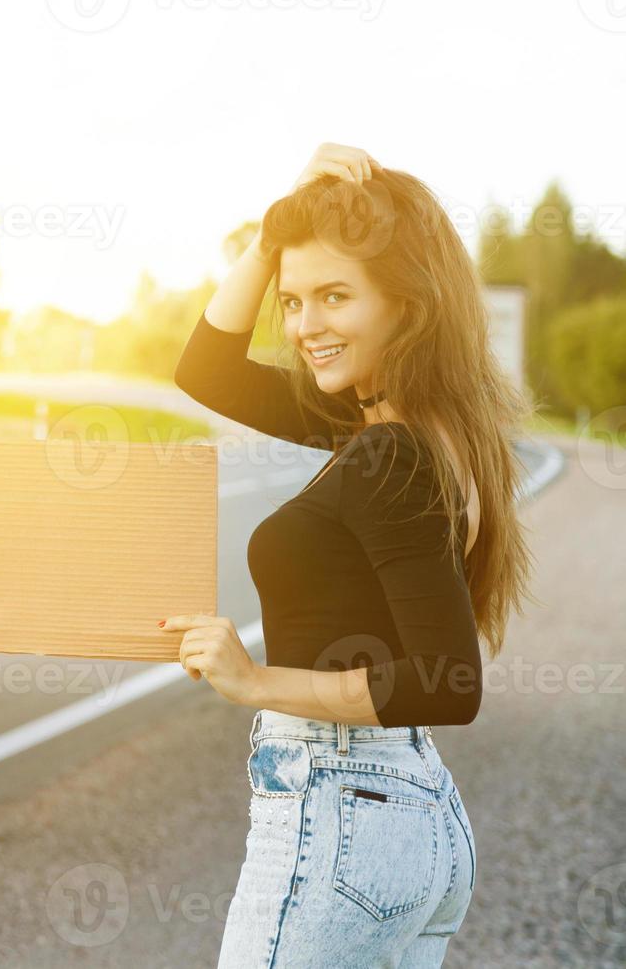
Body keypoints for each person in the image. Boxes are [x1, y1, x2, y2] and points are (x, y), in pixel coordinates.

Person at [159, 143, 538, 967]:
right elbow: (207, 369)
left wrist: (254, 681)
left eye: (335, 296)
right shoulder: (402, 427)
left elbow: (449, 682)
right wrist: (274, 235)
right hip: (408, 812)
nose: (304, 328)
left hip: (338, 815)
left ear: (408, 304)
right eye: (292, 302)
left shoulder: (388, 453)